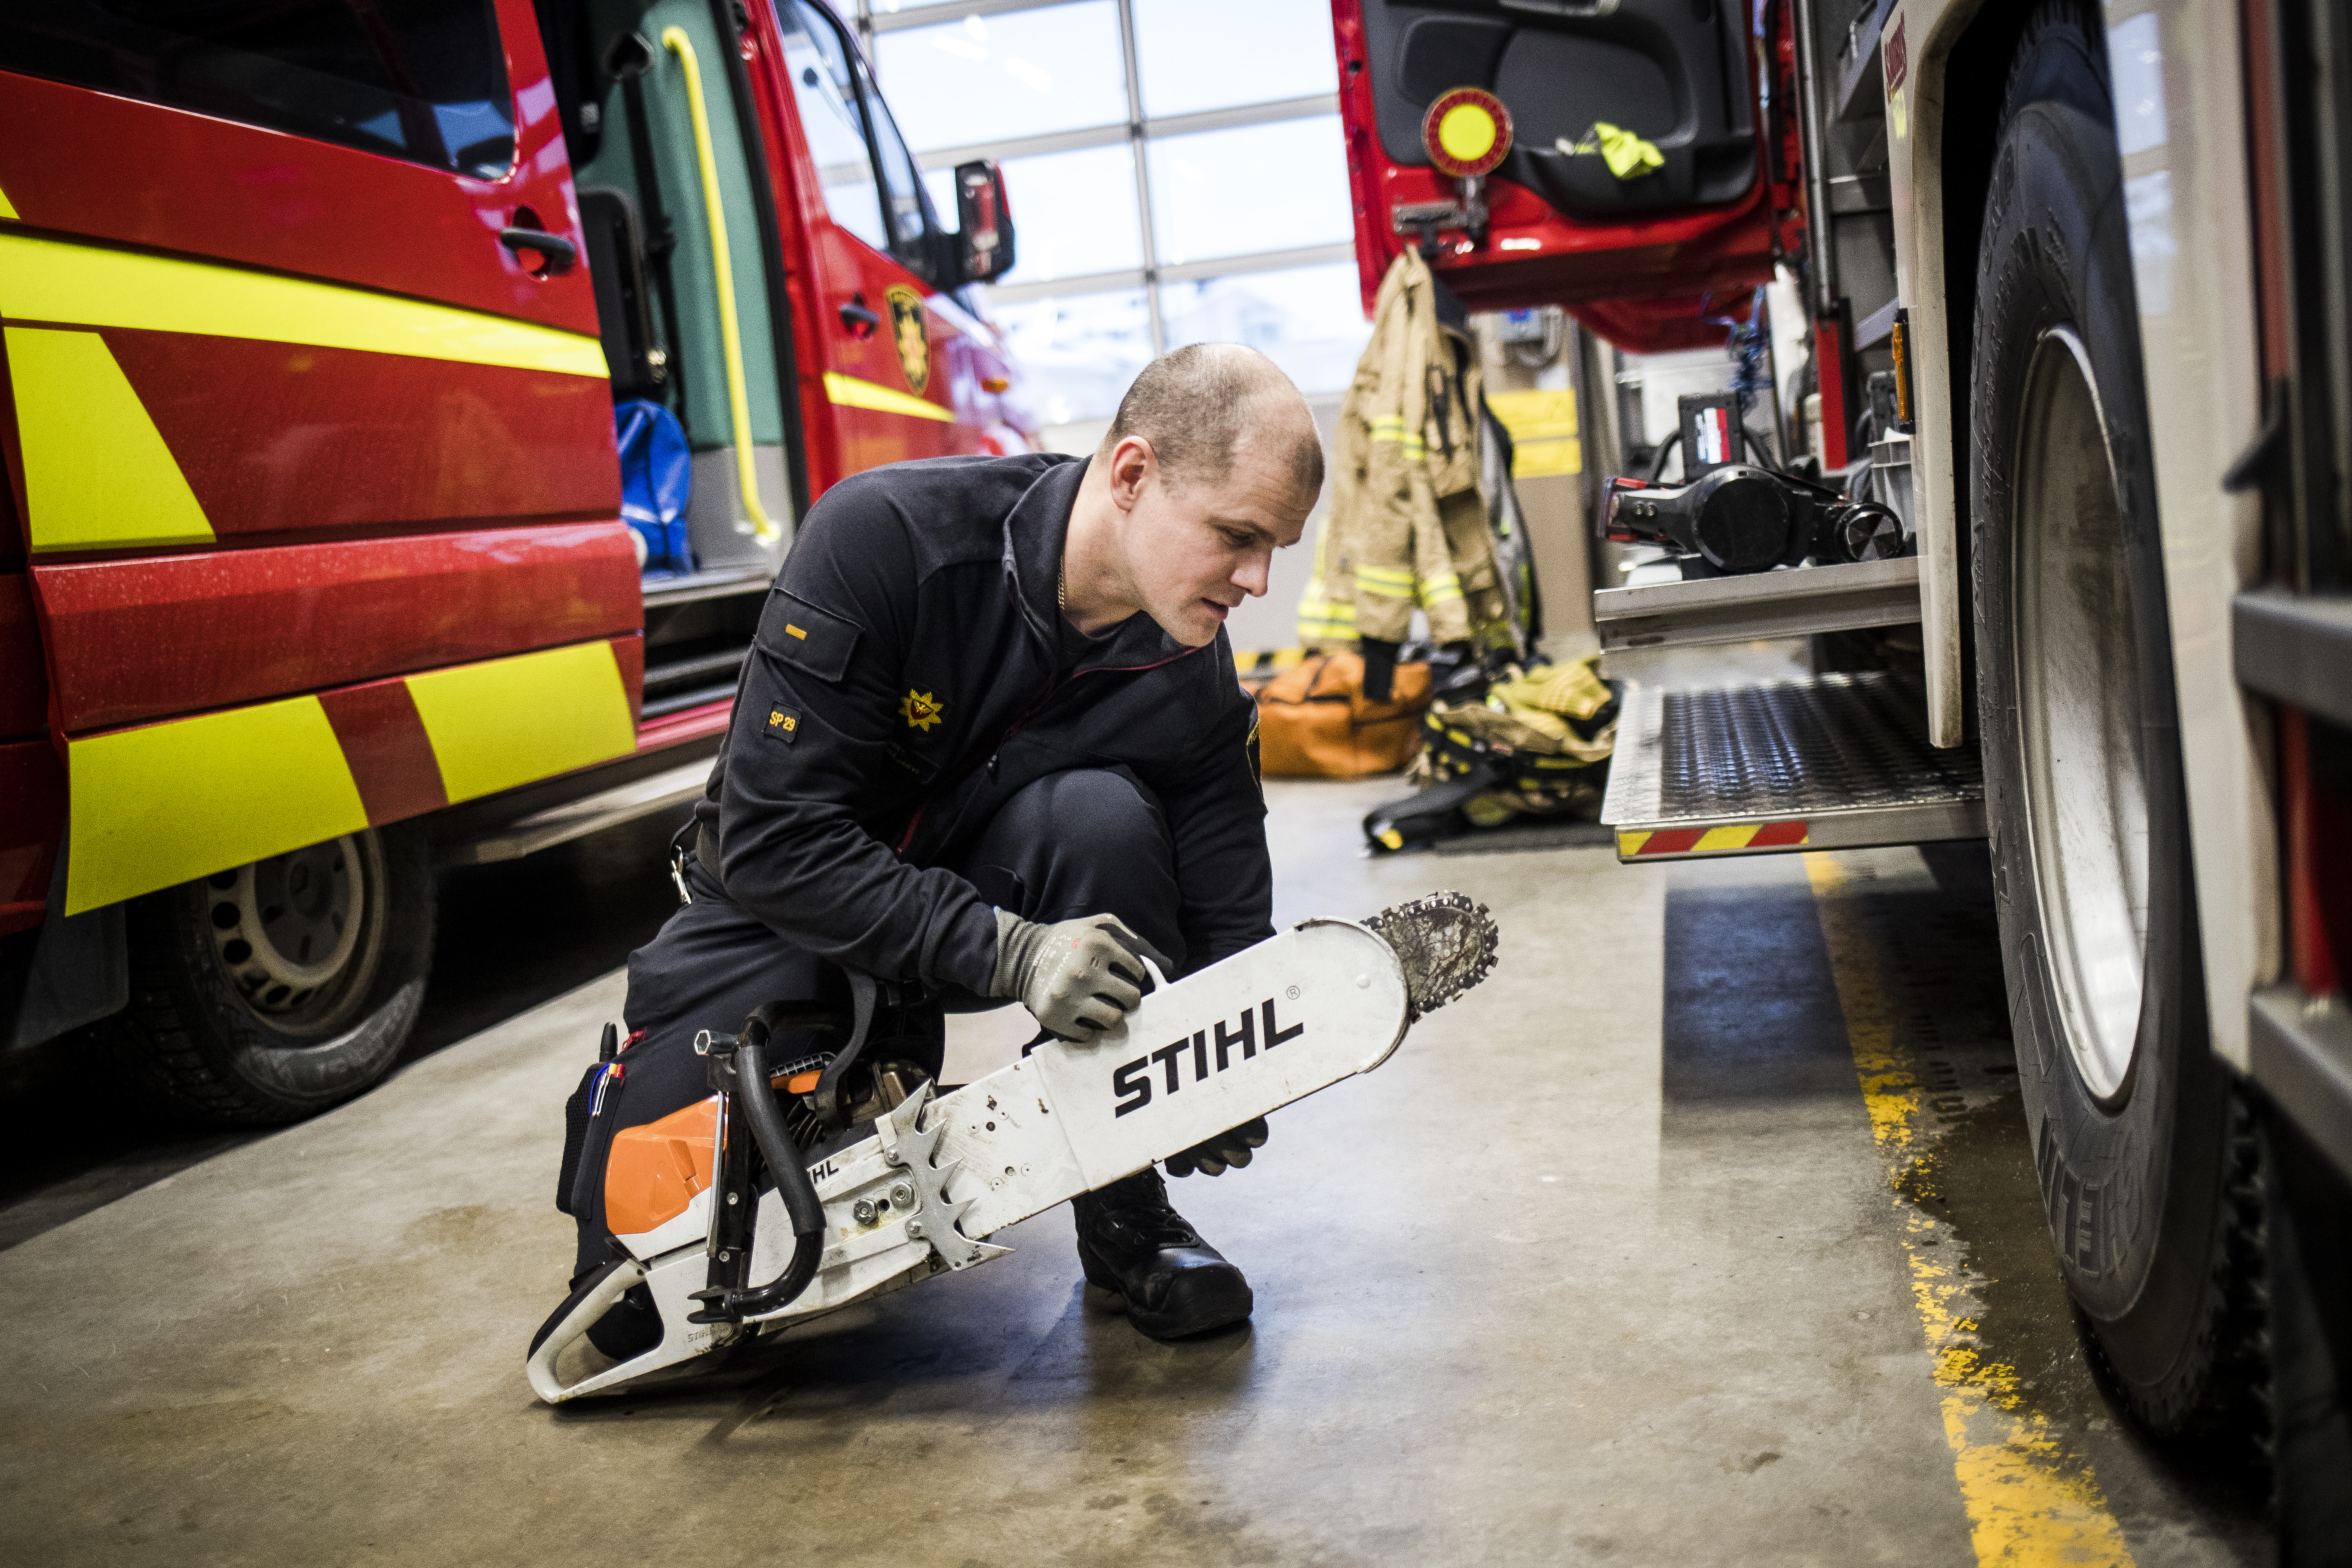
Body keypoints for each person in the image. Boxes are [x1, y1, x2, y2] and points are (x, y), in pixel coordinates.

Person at [558, 344, 1324, 1348]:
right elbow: (773, 840)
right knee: (636, 1306)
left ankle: (1125, 1214)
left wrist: (1221, 1064)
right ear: (1133, 476)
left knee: (1102, 819)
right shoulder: (889, 538)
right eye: (1238, 536)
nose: (1259, 579)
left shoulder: (1188, 673)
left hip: (976, 907)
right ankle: (809, 1105)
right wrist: (1012, 949)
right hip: (789, 914)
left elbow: (1229, 923)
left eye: (1274, 546)